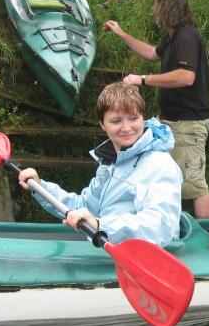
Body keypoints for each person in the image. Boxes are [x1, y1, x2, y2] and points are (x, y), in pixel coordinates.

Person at [17, 82, 183, 247]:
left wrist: (100, 226)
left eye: (133, 118)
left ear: (142, 118)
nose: (126, 128)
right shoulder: (111, 164)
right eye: (116, 121)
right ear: (103, 124)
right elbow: (82, 207)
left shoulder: (159, 165)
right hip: (108, 250)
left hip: (144, 257)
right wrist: (39, 187)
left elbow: (159, 226)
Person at [103, 0, 209, 219]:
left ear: (166, 7)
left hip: (188, 123)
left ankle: (205, 235)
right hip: (170, 122)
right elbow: (152, 53)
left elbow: (186, 76)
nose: (154, 10)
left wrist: (143, 79)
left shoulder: (187, 37)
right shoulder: (172, 38)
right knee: (165, 177)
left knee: (194, 186)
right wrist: (121, 34)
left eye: (157, 5)